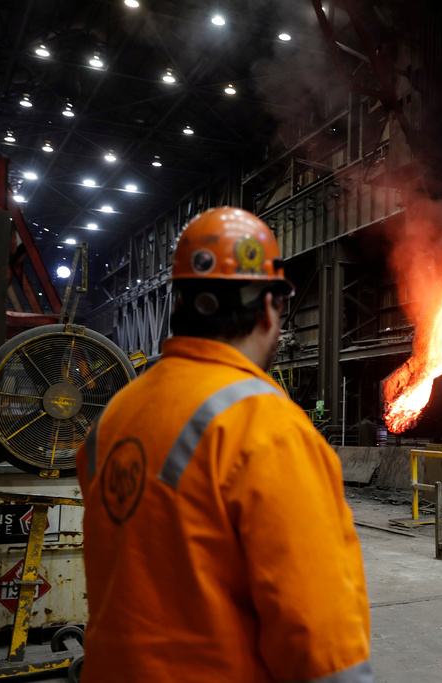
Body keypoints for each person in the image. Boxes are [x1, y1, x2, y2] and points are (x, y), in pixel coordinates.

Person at [76, 207, 372, 682]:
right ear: (271, 307)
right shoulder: (268, 428)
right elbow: (321, 639)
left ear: (180, 303)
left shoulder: (115, 416)